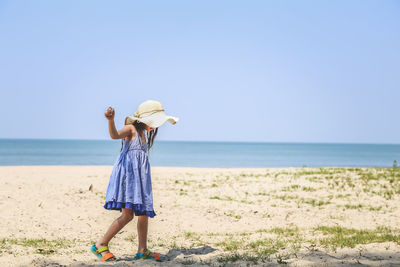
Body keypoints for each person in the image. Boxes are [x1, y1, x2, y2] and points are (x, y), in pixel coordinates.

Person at [90, 100, 179, 262]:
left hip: (141, 180)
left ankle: (142, 250)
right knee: (128, 215)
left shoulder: (144, 135)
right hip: (128, 179)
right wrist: (110, 120)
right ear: (143, 120)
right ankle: (100, 244)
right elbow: (114, 135)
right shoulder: (131, 129)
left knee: (144, 213)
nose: (155, 126)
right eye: (154, 122)